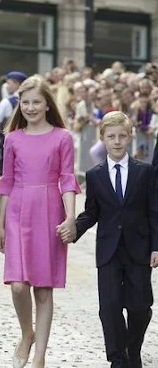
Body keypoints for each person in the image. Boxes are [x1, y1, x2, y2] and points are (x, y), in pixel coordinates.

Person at [0, 75, 80, 368]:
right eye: (25, 102)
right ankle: (26, 333)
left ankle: (40, 357)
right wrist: (1, 223)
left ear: (47, 105)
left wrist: (70, 217)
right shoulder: (13, 139)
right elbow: (6, 182)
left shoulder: (62, 137)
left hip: (49, 212)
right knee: (18, 285)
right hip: (18, 212)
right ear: (19, 104)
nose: (30, 107)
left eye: (36, 102)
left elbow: (67, 180)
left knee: (43, 289)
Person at [71, 111, 158, 368]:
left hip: (139, 248)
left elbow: (154, 210)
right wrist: (74, 229)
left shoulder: (145, 172)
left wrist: (156, 246)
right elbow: (92, 212)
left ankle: (133, 350)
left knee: (140, 306)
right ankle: (118, 359)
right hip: (108, 250)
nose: (117, 141)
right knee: (109, 308)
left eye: (122, 136)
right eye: (111, 136)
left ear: (130, 138)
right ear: (103, 139)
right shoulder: (95, 175)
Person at [0, 71, 27, 176]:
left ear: (17, 84)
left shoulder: (6, 102)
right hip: (26, 141)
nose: (7, 86)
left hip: (8, 141)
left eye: (9, 83)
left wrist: (0, 135)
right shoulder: (32, 100)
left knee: (5, 169)